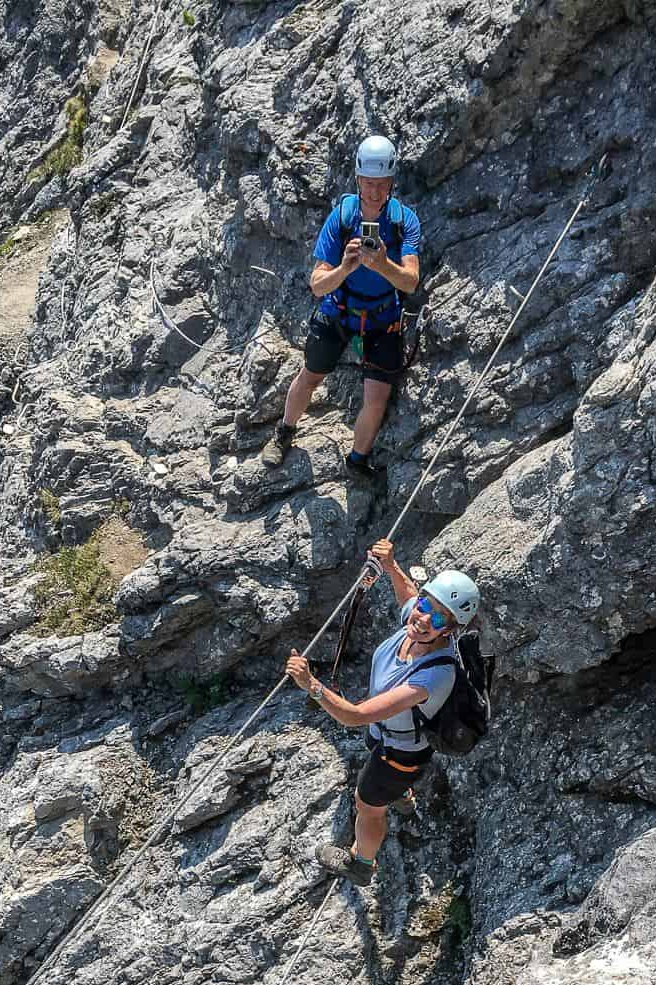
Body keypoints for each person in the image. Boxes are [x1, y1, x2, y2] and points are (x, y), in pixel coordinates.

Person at [285, 538, 480, 887]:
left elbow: (355, 715)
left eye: (437, 617)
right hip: (388, 738)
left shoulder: (434, 675)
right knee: (382, 776)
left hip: (399, 754)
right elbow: (407, 596)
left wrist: (311, 684)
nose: (423, 617)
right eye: (426, 604)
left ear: (449, 630)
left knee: (368, 805)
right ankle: (402, 796)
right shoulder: (418, 625)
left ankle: (362, 864)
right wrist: (391, 565)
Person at [261, 135, 422, 478]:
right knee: (311, 375)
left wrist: (381, 264)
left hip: (383, 318)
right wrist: (345, 267)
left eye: (381, 184)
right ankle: (284, 432)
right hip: (339, 311)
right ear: (358, 179)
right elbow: (318, 284)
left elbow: (410, 281)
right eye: (367, 183)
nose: (374, 192)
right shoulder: (343, 216)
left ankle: (357, 461)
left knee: (376, 398)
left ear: (391, 181)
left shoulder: (403, 220)